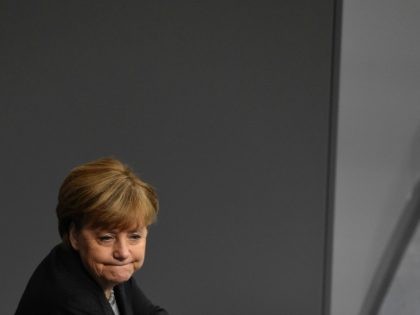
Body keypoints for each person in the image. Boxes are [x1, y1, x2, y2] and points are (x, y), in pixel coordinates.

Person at [15, 157, 168, 315]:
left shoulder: (106, 269)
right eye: (106, 238)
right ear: (74, 235)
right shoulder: (70, 301)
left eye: (134, 236)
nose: (123, 252)